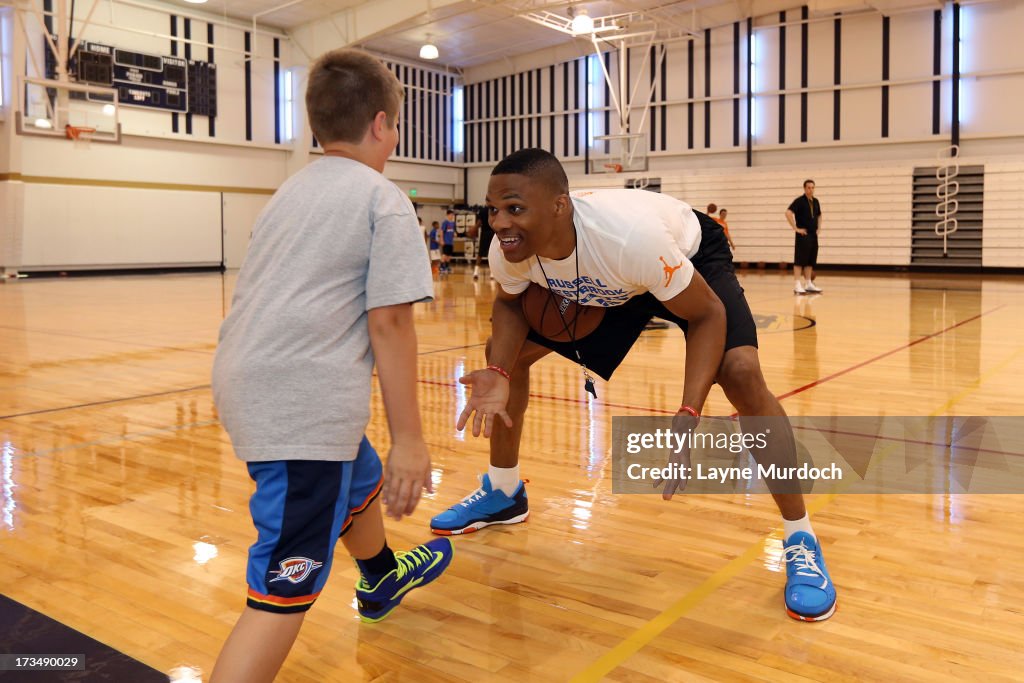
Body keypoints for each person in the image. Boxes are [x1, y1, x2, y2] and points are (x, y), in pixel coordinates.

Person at [430, 148, 836, 623]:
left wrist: (688, 412)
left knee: (742, 373)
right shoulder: (509, 249)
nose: (499, 222)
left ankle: (800, 535)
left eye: (514, 209)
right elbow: (510, 306)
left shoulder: (628, 238)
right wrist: (499, 372)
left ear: (559, 207)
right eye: (493, 209)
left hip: (683, 254)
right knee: (504, 356)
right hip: (613, 281)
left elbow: (707, 315)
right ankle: (504, 491)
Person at [209, 48, 454, 683]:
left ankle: (379, 579)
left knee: (356, 475)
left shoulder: (287, 194)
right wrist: (411, 440)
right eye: (395, 127)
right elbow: (390, 324)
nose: (394, 138)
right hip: (300, 400)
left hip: (250, 378)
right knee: (282, 591)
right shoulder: (383, 199)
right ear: (380, 125)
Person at [786, 180, 823, 294]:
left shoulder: (816, 201)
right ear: (804, 188)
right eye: (808, 187)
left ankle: (808, 283)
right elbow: (788, 213)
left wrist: (819, 228)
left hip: (813, 235)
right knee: (799, 260)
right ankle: (797, 284)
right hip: (803, 234)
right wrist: (796, 228)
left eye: (812, 188)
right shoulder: (799, 201)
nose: (810, 190)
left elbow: (819, 215)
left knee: (810, 260)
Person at [474, 205, 495, 280]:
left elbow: (479, 223)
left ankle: (475, 272)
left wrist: (474, 228)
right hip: (493, 234)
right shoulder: (494, 209)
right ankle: (492, 274)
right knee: (492, 254)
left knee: (480, 254)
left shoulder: (482, 210)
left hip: (484, 234)